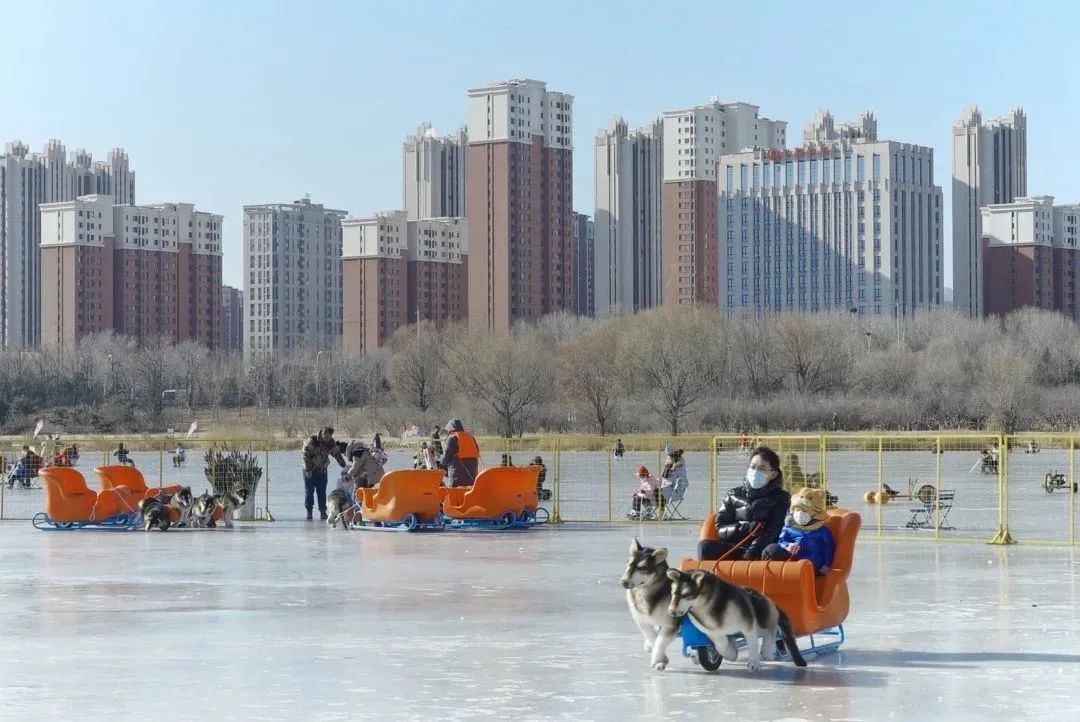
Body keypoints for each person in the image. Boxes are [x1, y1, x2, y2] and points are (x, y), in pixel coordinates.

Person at [698, 446, 791, 561]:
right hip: (735, 548)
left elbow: (775, 530)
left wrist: (750, 552)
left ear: (773, 474)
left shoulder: (781, 498)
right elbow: (720, 529)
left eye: (762, 468)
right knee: (705, 547)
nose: (755, 472)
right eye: (752, 467)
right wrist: (745, 528)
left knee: (773, 551)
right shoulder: (733, 495)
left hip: (762, 552)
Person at [763, 487, 835, 576]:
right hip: (792, 560)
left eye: (804, 511)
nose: (800, 514)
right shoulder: (789, 527)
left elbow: (828, 549)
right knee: (771, 549)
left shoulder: (822, 531)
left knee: (800, 570)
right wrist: (787, 546)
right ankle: (766, 574)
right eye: (797, 510)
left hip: (812, 564)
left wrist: (826, 565)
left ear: (814, 514)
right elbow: (782, 540)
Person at [302, 427, 347, 521]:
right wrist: (308, 470)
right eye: (326, 437)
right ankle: (309, 512)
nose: (327, 439)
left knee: (322, 493)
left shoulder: (331, 443)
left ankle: (323, 512)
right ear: (322, 435)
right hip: (310, 470)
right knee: (309, 492)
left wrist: (345, 466)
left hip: (322, 471)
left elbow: (337, 455)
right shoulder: (312, 441)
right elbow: (305, 456)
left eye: (329, 437)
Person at [440, 419, 479, 488]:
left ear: (450, 429)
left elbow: (446, 458)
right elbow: (477, 451)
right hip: (472, 477)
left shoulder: (452, 438)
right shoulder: (471, 437)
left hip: (457, 478)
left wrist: (441, 462)